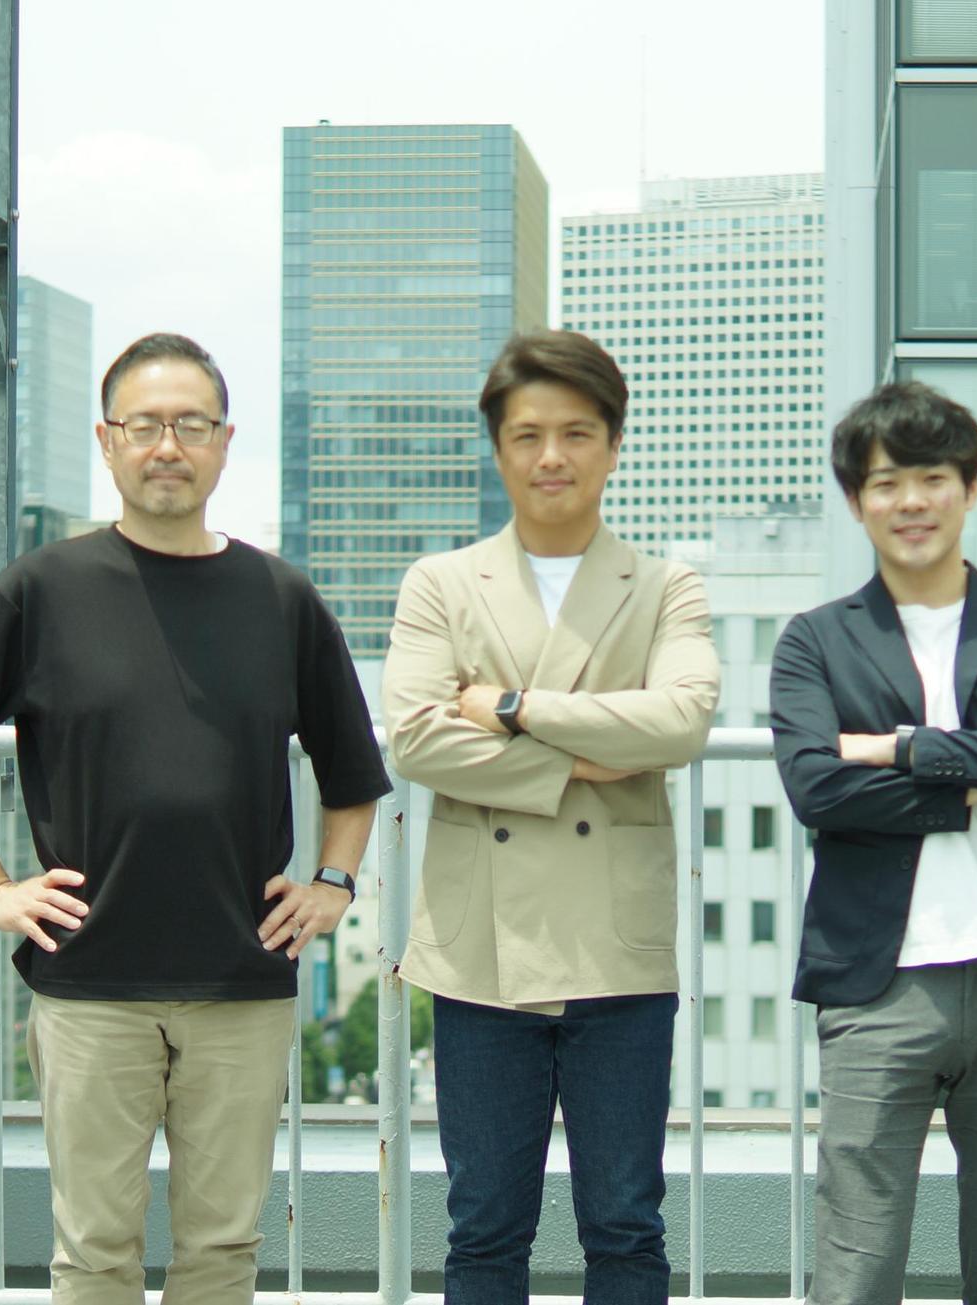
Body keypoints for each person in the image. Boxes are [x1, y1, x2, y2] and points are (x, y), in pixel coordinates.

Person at [0, 333, 390, 1305]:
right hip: (89, 981)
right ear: (108, 439)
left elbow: (352, 775)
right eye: (145, 425)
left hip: (241, 978)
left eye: (191, 425)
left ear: (224, 442)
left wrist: (334, 884)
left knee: (223, 1249)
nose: (168, 445)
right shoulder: (40, 590)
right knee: (94, 1253)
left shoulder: (282, 597)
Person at [381, 329, 719, 1303]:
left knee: (626, 1226)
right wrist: (588, 759)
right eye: (527, 435)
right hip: (480, 951)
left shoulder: (665, 584)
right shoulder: (442, 582)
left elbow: (681, 721)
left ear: (614, 445)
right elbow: (415, 740)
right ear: (497, 448)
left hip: (619, 945)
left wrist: (513, 708)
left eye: (576, 433)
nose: (551, 457)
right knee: (484, 1228)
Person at [769, 380, 977, 1304]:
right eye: (886, 483)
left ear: (970, 487)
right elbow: (817, 785)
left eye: (932, 478)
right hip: (876, 979)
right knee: (856, 1266)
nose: (911, 501)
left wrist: (899, 748)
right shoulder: (814, 641)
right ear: (856, 501)